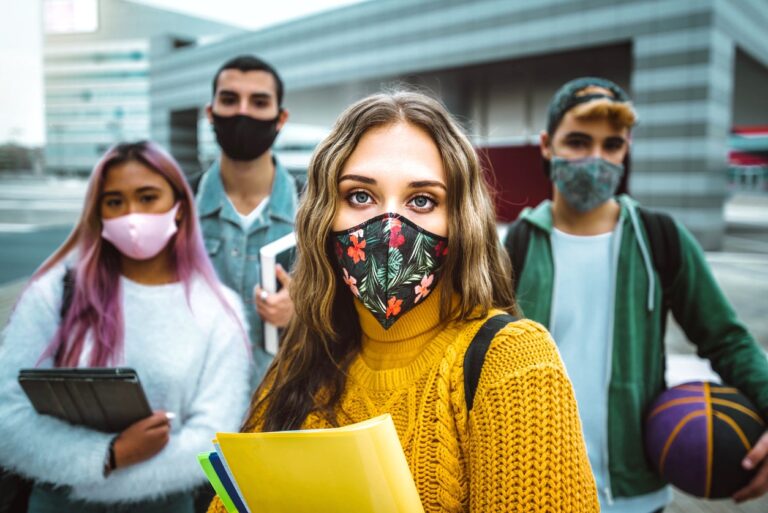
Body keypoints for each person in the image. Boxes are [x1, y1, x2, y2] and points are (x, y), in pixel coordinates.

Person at [207, 91, 599, 512]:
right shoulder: (298, 364)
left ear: (460, 222)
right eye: (360, 196)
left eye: (422, 200)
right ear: (323, 216)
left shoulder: (511, 362)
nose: (390, 227)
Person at [504, 76, 768, 512]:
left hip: (634, 494)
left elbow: (727, 339)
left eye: (612, 145)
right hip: (535, 487)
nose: (596, 159)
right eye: (578, 142)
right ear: (547, 145)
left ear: (626, 149)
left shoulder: (660, 238)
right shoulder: (516, 246)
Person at [0, 141, 251, 512]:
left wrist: (105, 471)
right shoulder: (54, 291)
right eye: (114, 202)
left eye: (148, 197)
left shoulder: (218, 309)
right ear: (98, 212)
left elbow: (213, 434)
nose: (132, 215)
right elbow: (8, 416)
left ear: (179, 208)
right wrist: (109, 456)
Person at [197, 55, 298, 384]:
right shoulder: (178, 206)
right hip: (200, 403)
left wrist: (303, 313)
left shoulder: (316, 208)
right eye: (229, 99)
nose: (242, 112)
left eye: (259, 102)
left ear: (280, 118)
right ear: (210, 113)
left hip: (285, 405)